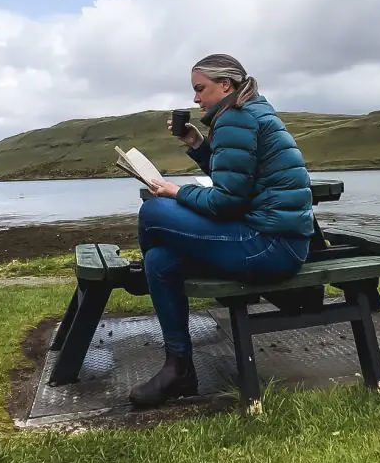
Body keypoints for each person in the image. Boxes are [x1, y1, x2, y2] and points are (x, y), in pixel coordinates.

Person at [129, 53, 314, 408]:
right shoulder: (250, 111)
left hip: (271, 246)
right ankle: (178, 367)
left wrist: (178, 192)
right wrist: (199, 146)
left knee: (154, 211)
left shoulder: (235, 118)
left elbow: (228, 200)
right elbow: (235, 176)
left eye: (200, 89)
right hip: (279, 239)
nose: (196, 98)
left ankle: (149, 285)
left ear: (225, 85)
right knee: (159, 260)